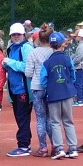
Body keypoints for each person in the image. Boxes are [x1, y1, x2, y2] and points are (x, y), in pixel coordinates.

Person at [39, 31, 80, 159]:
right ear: (63, 44)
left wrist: (50, 87)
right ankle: (73, 148)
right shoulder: (68, 59)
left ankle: (59, 149)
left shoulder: (47, 63)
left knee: (55, 122)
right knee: (68, 121)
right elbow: (73, 76)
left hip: (53, 95)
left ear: (51, 45)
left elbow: (43, 80)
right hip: (67, 93)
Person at [1, 23, 33, 157]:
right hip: (14, 89)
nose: (16, 37)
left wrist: (10, 62)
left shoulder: (26, 48)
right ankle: (25, 144)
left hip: (23, 89)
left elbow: (27, 67)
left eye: (18, 34)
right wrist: (6, 65)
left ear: (23, 35)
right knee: (20, 118)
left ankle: (23, 146)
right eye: (13, 34)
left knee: (22, 117)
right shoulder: (11, 48)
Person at [24, 25, 54, 156]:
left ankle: (43, 147)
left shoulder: (33, 53)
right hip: (52, 88)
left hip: (37, 88)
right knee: (51, 118)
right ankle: (56, 145)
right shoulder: (54, 52)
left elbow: (28, 73)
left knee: (41, 118)